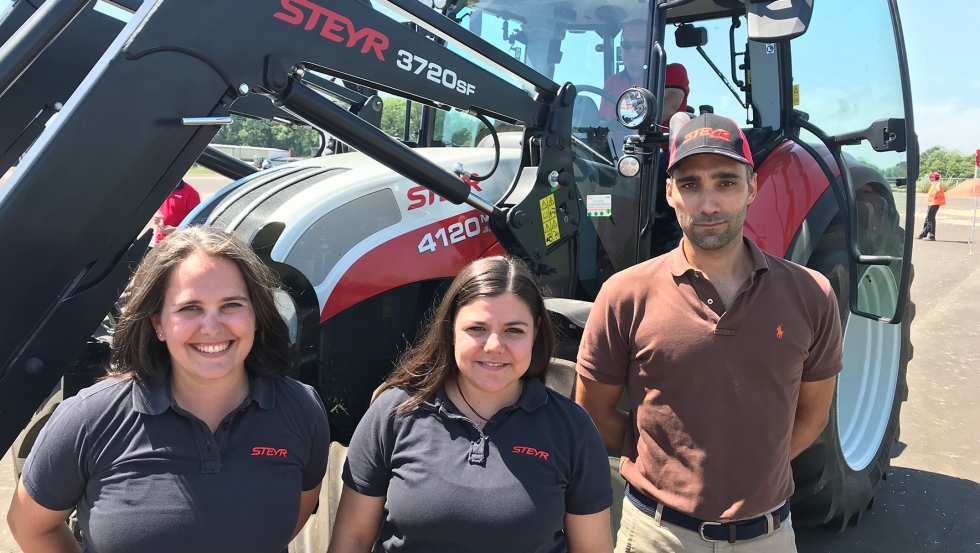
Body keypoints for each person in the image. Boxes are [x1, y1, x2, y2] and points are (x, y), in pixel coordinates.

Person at [575, 113, 843, 552]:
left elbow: (813, 417)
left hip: (768, 538)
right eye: (691, 185)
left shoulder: (811, 294)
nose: (709, 204)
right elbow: (592, 413)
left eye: (726, 182)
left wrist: (753, 468)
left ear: (753, 187)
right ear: (669, 193)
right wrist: (666, 460)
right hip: (656, 536)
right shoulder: (625, 295)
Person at [7, 226, 330, 553]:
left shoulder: (301, 410)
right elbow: (30, 526)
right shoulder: (89, 418)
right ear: (157, 323)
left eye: (231, 305)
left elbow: (289, 523)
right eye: (190, 308)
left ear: (257, 316)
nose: (212, 327)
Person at [328, 256, 614, 553]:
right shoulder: (395, 413)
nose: (493, 346)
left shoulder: (572, 429)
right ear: (451, 329)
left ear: (536, 331)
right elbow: (352, 540)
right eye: (477, 328)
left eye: (514, 330)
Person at [598, 20, 689, 128]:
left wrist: (625, 126)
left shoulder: (672, 72)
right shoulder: (612, 82)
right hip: (615, 145)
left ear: (653, 47)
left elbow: (668, 106)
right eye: (627, 44)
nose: (633, 50)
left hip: (658, 144)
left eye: (640, 45)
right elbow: (601, 121)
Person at [918, 171, 945, 240]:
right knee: (928, 219)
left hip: (934, 204)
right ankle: (923, 234)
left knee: (930, 219)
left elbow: (938, 190)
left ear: (934, 177)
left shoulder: (937, 184)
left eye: (931, 177)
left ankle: (931, 235)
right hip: (932, 204)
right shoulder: (934, 184)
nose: (930, 178)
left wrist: (935, 196)